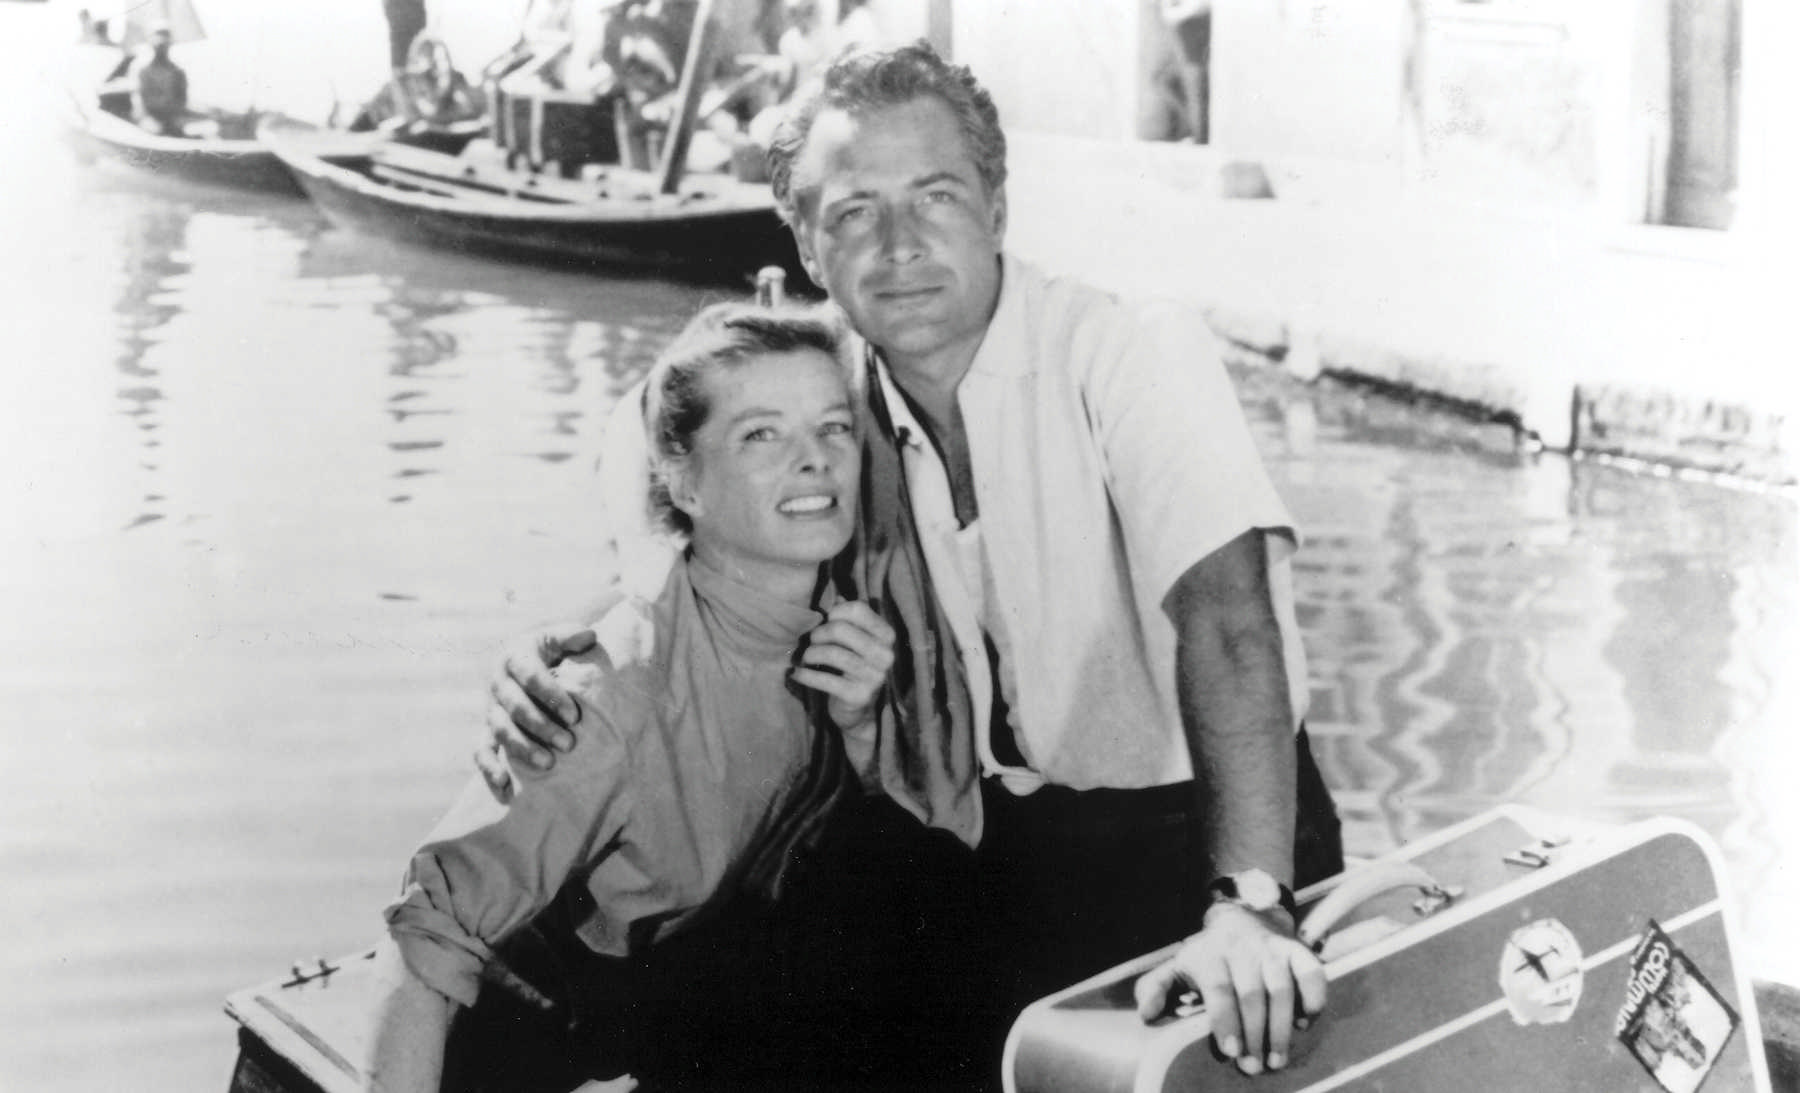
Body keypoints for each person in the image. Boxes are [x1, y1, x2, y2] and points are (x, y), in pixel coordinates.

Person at [488, 41, 1343, 1081]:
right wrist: (640, 598)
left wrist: (1252, 904)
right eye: (852, 212)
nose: (898, 245)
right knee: (690, 1004)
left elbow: (1231, 623)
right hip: (993, 834)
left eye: (935, 195)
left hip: (1206, 832)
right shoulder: (829, 377)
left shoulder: (1129, 350)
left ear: (996, 207)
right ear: (805, 244)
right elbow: (643, 423)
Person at [368, 303, 906, 1092]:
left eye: (832, 428)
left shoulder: (843, 631)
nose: (815, 461)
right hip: (529, 1042)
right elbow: (431, 929)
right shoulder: (606, 694)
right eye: (762, 434)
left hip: (689, 1005)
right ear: (682, 478)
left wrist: (862, 731)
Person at [135, 25, 189, 136]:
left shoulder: (178, 72)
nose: (160, 48)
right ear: (152, 46)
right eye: (157, 45)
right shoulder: (144, 72)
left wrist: (175, 115)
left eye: (164, 45)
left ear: (169, 45)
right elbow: (142, 102)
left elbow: (182, 101)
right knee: (153, 129)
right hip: (150, 119)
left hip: (173, 119)